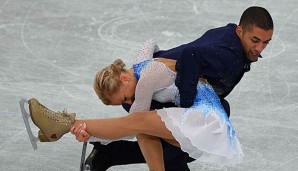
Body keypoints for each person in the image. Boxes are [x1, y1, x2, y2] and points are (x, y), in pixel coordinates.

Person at [84, 6, 274, 171]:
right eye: (255, 40)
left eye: (265, 42)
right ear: (240, 31)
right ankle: (106, 150)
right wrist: (187, 106)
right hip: (151, 93)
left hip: (156, 86)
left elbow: (160, 47)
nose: (259, 48)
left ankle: (108, 152)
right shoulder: (228, 54)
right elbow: (192, 55)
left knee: (201, 133)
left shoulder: (233, 38)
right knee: (194, 137)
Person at [28, 40, 244, 170]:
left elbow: (130, 124)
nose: (129, 102)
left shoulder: (146, 79)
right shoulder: (141, 65)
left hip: (205, 120)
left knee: (138, 123)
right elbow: (150, 42)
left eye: (124, 98)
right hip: (195, 118)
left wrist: (89, 133)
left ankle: (64, 124)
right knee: (143, 129)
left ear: (123, 79)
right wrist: (162, 58)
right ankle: (62, 128)